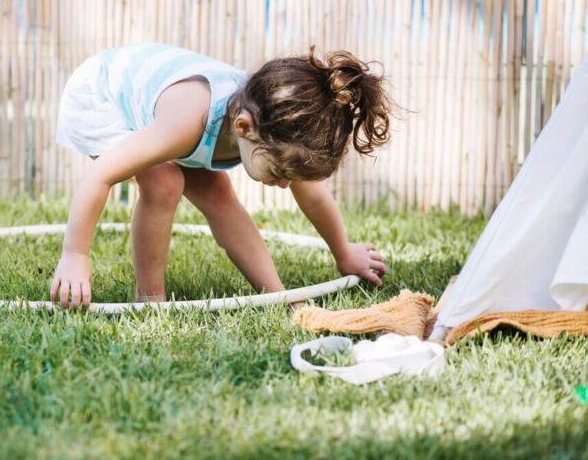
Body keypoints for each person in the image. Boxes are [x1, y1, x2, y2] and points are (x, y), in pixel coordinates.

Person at [51, 43, 393, 308]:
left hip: (153, 100)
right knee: (164, 181)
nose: (285, 185)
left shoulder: (282, 129)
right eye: (278, 172)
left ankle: (277, 295)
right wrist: (75, 255)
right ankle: (150, 299)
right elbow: (100, 175)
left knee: (218, 194)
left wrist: (343, 251)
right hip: (101, 95)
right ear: (243, 128)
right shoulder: (188, 122)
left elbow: (314, 197)